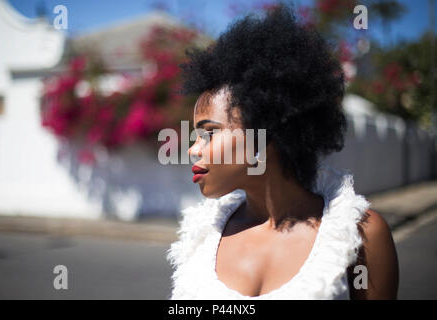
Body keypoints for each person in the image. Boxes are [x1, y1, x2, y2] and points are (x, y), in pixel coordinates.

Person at [166, 4, 398, 300]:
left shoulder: (361, 237)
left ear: (266, 133)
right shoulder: (200, 236)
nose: (193, 149)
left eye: (209, 133)